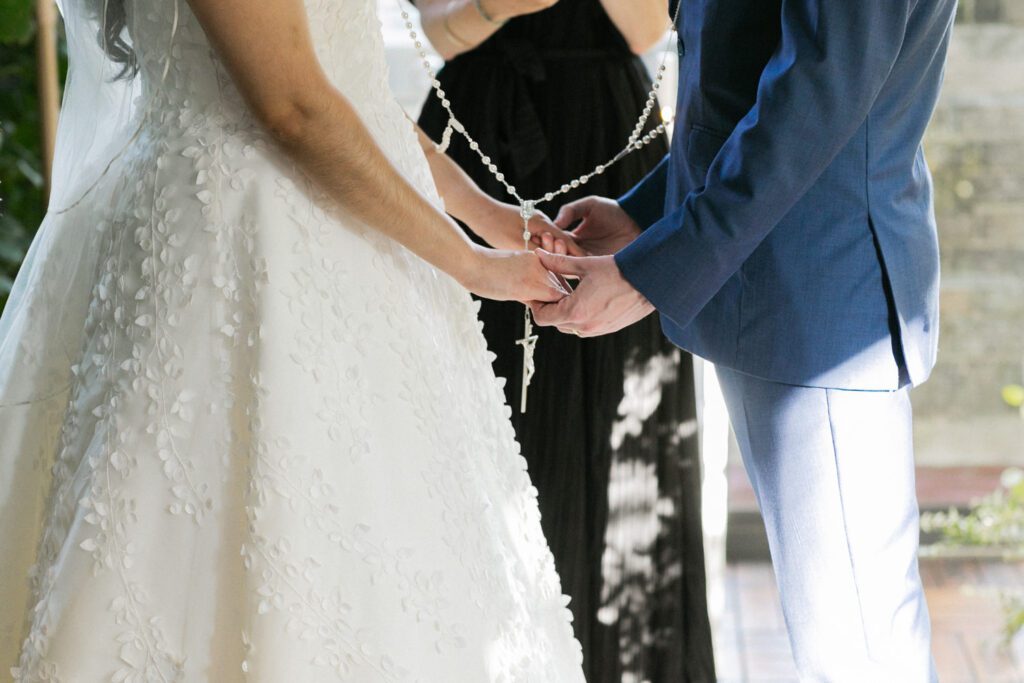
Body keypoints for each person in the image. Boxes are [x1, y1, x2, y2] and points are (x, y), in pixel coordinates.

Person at [0, 0, 591, 679]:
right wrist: (472, 265)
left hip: (339, 244)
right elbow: (295, 107)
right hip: (236, 251)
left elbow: (347, 90)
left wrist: (494, 220)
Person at [532, 0, 957, 680]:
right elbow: (744, 60)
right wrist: (651, 215)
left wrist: (660, 269)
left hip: (821, 298)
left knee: (859, 650)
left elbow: (819, 94)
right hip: (777, 289)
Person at [415, 1, 715, 681]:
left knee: (620, 424)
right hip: (472, 143)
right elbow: (433, 27)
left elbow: (646, 28)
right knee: (474, 414)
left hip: (611, 145)